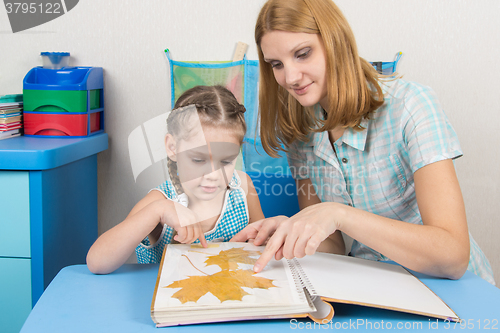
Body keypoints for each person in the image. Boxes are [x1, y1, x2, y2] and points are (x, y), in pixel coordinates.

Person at [231, 0, 495, 285]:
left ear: (335, 41)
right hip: (376, 289)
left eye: (303, 54)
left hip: (450, 290)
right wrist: (292, 231)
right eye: (277, 64)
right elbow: (335, 246)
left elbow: (453, 257)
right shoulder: (301, 134)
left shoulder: (411, 106)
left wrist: (340, 214)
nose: (291, 77)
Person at [87, 85, 264, 274]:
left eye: (226, 161)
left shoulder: (242, 188)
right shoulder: (158, 202)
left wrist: (268, 235)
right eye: (198, 159)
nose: (213, 175)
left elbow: (261, 242)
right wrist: (157, 211)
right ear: (172, 147)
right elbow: (97, 263)